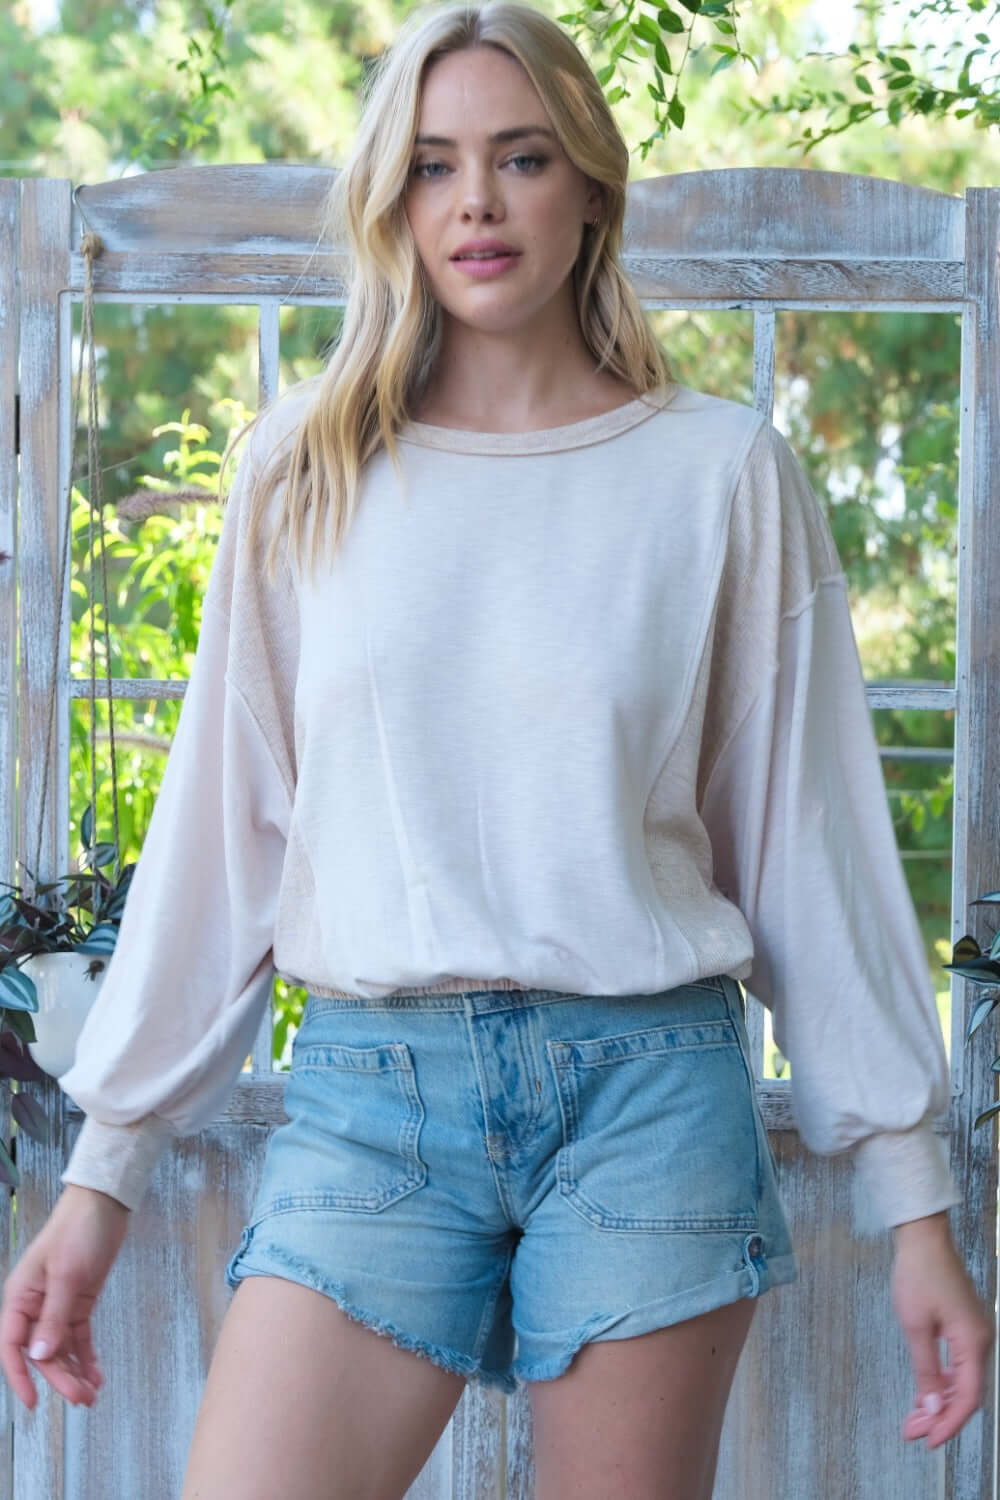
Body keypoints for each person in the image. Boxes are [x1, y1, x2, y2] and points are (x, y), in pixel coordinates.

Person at [1, 3, 992, 1496]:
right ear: (390, 198)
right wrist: (101, 1177)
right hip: (372, 1097)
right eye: (432, 164)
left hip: (649, 1095)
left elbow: (813, 853)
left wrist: (915, 1203)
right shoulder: (304, 470)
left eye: (521, 159)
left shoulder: (718, 474)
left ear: (589, 186)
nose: (475, 203)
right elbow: (226, 838)